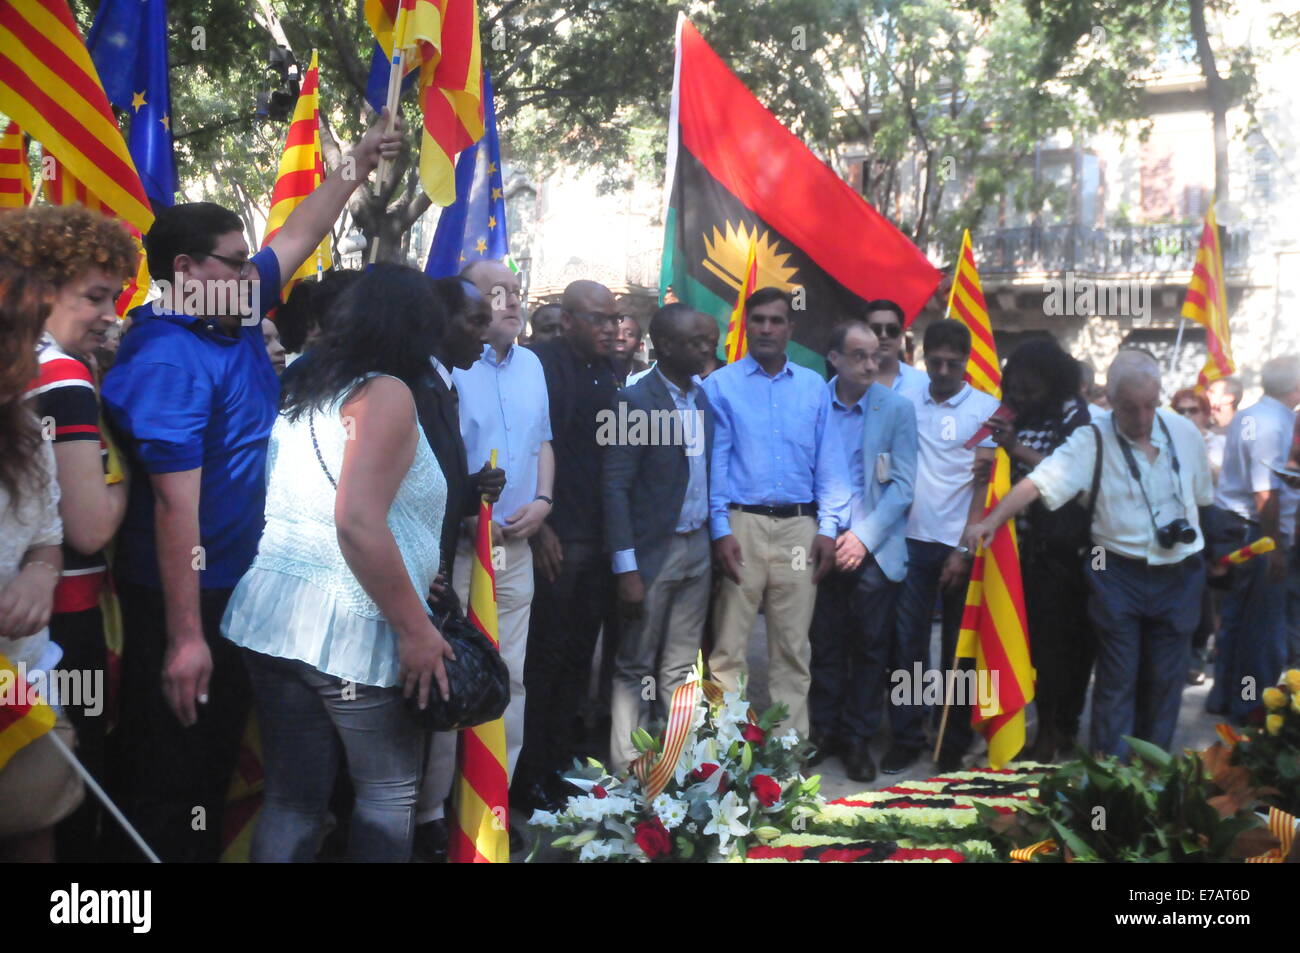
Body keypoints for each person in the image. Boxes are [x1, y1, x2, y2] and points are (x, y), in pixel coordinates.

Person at [99, 113, 403, 863]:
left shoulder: (227, 312)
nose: (254, 273)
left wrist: (357, 165)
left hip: (244, 590)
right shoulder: (166, 357)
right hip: (187, 598)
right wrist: (186, 637)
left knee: (219, 778)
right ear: (184, 271)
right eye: (236, 263)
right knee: (174, 779)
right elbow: (176, 508)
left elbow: (296, 237)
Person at [220, 265, 453, 862]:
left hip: (274, 617)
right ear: (416, 328)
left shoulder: (308, 382)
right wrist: (416, 629)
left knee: (294, 801)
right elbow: (355, 520)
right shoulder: (386, 392)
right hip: (350, 621)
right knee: (386, 794)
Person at [965, 350, 1214, 758]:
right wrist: (989, 522)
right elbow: (1039, 483)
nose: (1143, 417)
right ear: (1112, 401)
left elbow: (1202, 499)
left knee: (1165, 682)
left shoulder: (1184, 432)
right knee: (1118, 681)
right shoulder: (1092, 438)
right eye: (1131, 408)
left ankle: (1153, 778)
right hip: (1117, 575)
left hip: (1180, 574)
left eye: (1151, 405)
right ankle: (1112, 780)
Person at [3, 205, 136, 861]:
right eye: (95, 295)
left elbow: (51, 533)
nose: (111, 313)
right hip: (64, 633)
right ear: (37, 288)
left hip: (29, 656)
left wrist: (37, 569)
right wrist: (134, 471)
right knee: (64, 817)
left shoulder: (21, 392)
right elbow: (90, 525)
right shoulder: (62, 373)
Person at [415, 260, 549, 853]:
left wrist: (544, 501)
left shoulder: (534, 365)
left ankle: (491, 807)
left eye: (517, 291)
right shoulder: (444, 371)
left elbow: (543, 441)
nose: (512, 302)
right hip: (457, 553)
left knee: (508, 681)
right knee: (452, 683)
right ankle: (435, 818)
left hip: (515, 549)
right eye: (498, 293)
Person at [702, 287, 852, 738]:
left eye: (776, 320)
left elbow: (830, 463)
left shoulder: (812, 387)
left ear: (791, 328)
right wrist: (718, 529)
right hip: (740, 525)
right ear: (745, 325)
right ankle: (726, 758)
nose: (766, 328)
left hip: (799, 531)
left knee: (792, 649)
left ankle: (787, 762)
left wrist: (828, 529)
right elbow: (714, 466)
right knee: (728, 650)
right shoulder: (719, 386)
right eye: (758, 320)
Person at [514, 280, 620, 811]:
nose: (610, 328)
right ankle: (527, 775)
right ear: (569, 318)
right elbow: (533, 445)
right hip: (556, 538)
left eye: (614, 318)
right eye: (598, 319)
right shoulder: (541, 365)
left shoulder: (608, 370)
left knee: (580, 657)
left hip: (599, 541)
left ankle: (559, 763)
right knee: (545, 661)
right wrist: (543, 525)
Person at [604, 304, 716, 772]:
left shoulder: (702, 398)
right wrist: (626, 567)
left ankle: (675, 767)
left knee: (678, 669)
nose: (708, 349)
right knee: (635, 665)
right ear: (666, 345)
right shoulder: (635, 401)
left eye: (709, 340)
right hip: (653, 553)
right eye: (697, 342)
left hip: (697, 548)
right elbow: (614, 486)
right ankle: (629, 773)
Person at [808, 320, 917, 782]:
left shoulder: (896, 409)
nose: (872, 364)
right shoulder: (812, 403)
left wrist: (862, 538)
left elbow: (903, 486)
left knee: (871, 650)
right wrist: (829, 535)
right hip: (821, 543)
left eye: (875, 355)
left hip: (873, 547)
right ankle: (823, 733)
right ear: (834, 358)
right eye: (859, 355)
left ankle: (857, 739)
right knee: (825, 645)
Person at [889, 319, 997, 774]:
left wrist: (964, 547)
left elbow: (983, 484)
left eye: (954, 363)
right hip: (909, 541)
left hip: (958, 545)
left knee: (958, 649)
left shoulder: (986, 409)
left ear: (967, 362)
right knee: (908, 646)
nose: (944, 370)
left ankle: (950, 737)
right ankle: (907, 737)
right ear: (923, 357)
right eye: (936, 361)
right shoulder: (904, 400)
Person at [0, 263, 80, 863]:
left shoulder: (27, 432)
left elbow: (48, 537)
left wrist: (39, 573)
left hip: (22, 690)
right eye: (15, 338)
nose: (31, 360)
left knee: (34, 825)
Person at [987, 339, 1093, 761]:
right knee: (1019, 645)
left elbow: (1067, 475)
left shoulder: (1074, 414)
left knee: (1056, 648)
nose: (1020, 397)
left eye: (1030, 391)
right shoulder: (1007, 410)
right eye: (1015, 389)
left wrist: (1016, 449)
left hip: (1057, 554)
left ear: (1053, 385)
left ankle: (1053, 731)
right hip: (1011, 550)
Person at [1208, 356, 1300, 723]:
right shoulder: (1271, 423)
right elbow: (1264, 493)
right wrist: (1273, 544)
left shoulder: (1253, 415)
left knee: (1238, 620)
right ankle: (1249, 705)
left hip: (1238, 525)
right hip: (1255, 531)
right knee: (1260, 630)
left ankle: (1225, 698)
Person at [1172, 387, 1223, 686]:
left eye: (1194, 410)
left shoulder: (1217, 443)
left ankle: (1197, 656)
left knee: (1207, 599)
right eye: (1182, 411)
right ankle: (1180, 658)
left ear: (1205, 414)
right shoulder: (1163, 440)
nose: (1188, 416)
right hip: (1177, 528)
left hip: (1211, 525)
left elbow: (1218, 481)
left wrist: (1199, 453)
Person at [862, 299, 926, 393]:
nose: (884, 335)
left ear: (901, 334)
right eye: (876, 330)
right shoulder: (846, 382)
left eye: (892, 329)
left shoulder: (923, 382)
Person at [611, 315, 648, 385]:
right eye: (614, 333)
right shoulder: (592, 374)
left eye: (629, 334)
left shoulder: (648, 378)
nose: (620, 337)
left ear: (640, 346)